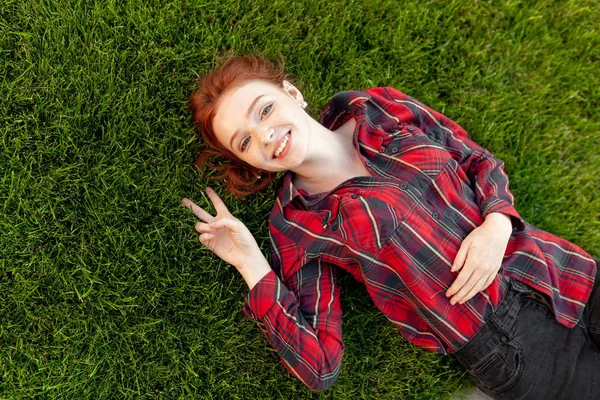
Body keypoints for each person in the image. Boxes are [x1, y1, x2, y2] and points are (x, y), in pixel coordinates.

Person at [181, 54, 600, 399]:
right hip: (511, 347)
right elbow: (320, 364)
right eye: (245, 142)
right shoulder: (296, 224)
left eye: (265, 110)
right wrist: (250, 264)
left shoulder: (374, 108)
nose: (265, 135)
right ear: (249, 161)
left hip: (560, 268)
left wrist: (497, 223)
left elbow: (476, 159)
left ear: (292, 92)